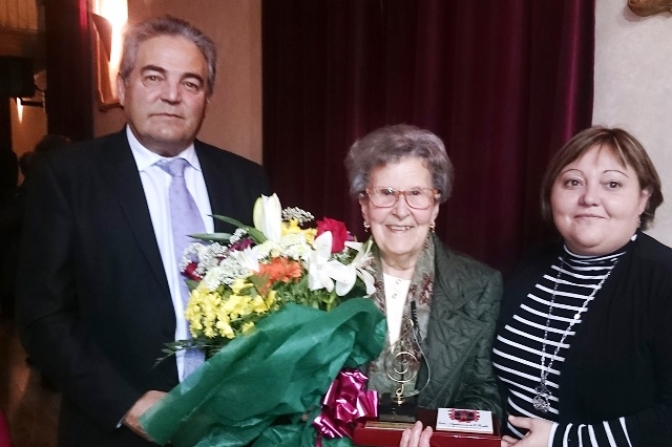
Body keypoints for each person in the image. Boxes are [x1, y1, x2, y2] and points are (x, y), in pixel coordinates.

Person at [16, 15, 269, 447]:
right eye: (154, 77)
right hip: (113, 427)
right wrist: (126, 404)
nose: (172, 96)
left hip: (231, 428)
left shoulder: (247, 181)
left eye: (191, 83)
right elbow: (44, 316)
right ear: (123, 86)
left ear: (207, 98)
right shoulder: (66, 178)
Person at [492, 126, 672, 446]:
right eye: (573, 182)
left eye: (612, 184)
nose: (589, 198)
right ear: (552, 192)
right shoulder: (530, 265)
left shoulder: (664, 280)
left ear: (644, 198)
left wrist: (563, 440)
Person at [345, 124, 503, 442]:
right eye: (386, 193)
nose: (401, 211)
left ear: (435, 205)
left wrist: (437, 440)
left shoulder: (479, 284)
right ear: (364, 204)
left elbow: (482, 396)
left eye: (416, 194)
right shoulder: (326, 276)